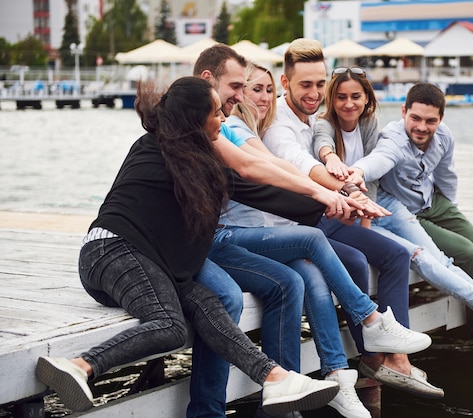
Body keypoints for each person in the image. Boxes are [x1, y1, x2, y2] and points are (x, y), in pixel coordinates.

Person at [34, 77, 341, 415]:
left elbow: (259, 190)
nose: (223, 119)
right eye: (215, 113)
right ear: (195, 119)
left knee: (211, 304)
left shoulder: (188, 156)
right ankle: (80, 366)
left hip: (150, 261)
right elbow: (255, 187)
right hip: (110, 252)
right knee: (169, 325)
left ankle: (275, 377)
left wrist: (328, 203)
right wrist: (324, 201)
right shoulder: (162, 149)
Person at [189, 44, 423, 418]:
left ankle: (322, 383)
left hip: (261, 231)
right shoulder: (228, 126)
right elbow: (269, 167)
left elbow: (283, 167)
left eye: (267, 90)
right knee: (310, 249)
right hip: (225, 237)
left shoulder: (254, 125)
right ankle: (368, 324)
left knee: (301, 279)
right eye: (250, 88)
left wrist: (334, 193)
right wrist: (334, 193)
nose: (262, 97)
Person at [313, 69, 473, 378]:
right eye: (341, 96)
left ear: (367, 99)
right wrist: (353, 172)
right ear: (404, 112)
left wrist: (362, 180)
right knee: (419, 256)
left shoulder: (369, 125)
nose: (349, 103)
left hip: (389, 205)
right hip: (354, 211)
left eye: (356, 96)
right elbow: (379, 156)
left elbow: (444, 175)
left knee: (447, 258)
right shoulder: (331, 127)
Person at [262, 38, 444, 398]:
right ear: (286, 84)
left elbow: (334, 148)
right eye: (305, 85)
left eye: (319, 84)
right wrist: (348, 194)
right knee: (358, 262)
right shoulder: (278, 125)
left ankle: (396, 360)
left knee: (394, 255)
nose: (315, 93)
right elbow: (305, 165)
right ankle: (373, 360)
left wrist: (352, 196)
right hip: (300, 223)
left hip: (323, 215)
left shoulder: (316, 116)